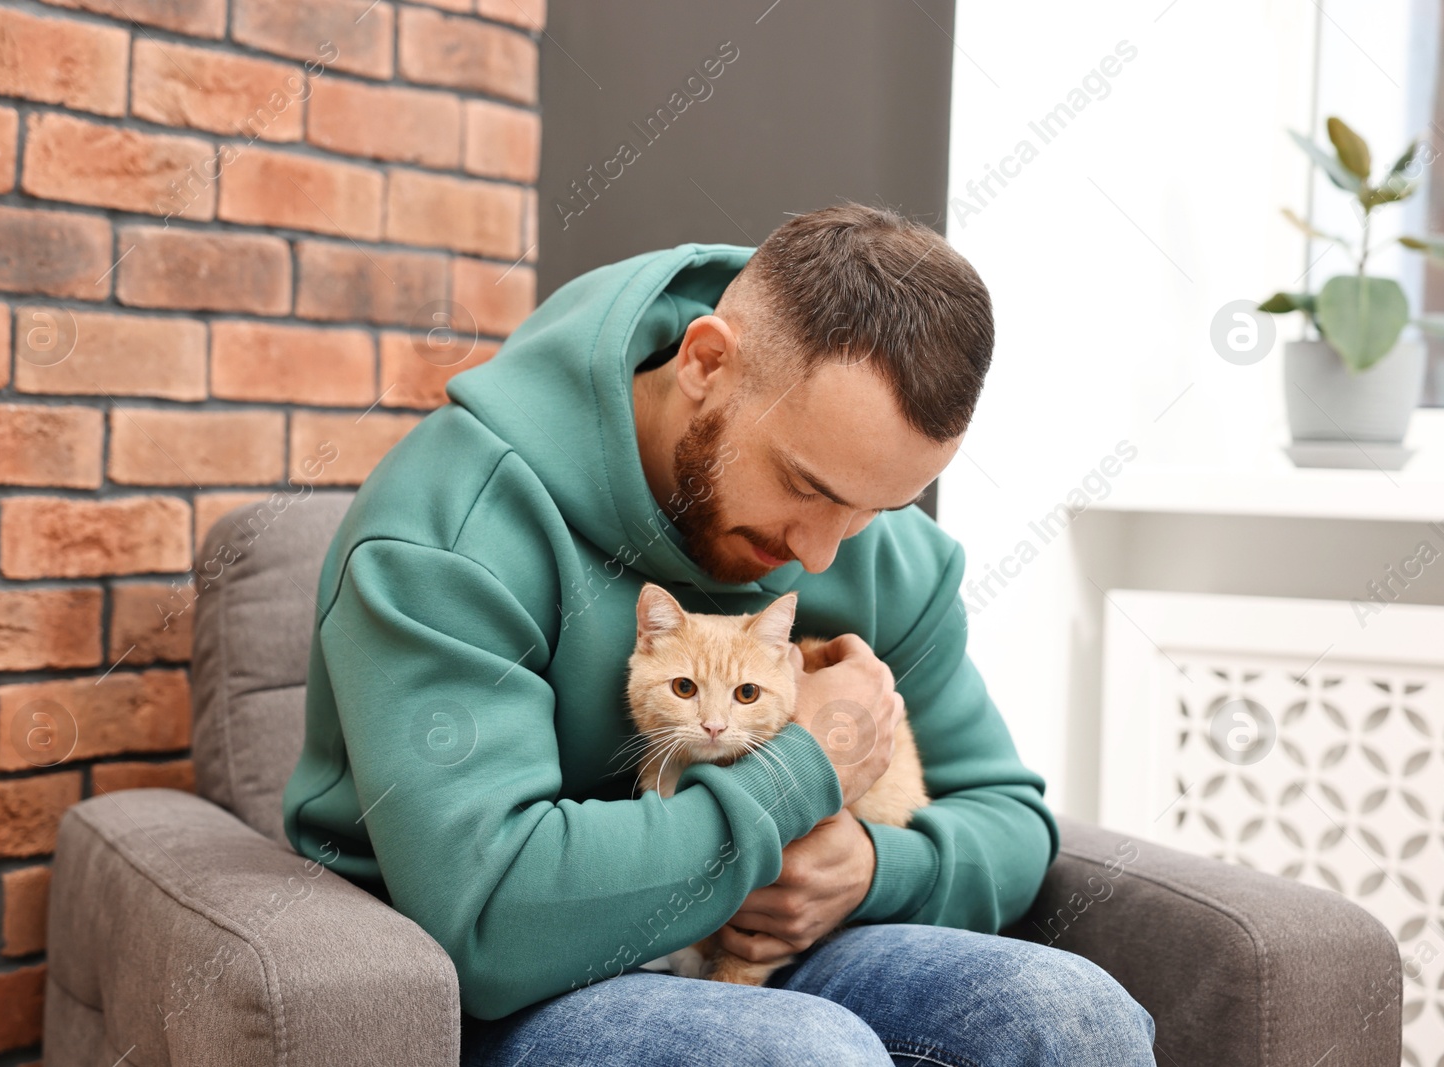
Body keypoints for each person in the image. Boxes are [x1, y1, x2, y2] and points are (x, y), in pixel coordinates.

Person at [281, 202, 1157, 1064]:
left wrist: (868, 872)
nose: (818, 558)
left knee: (1074, 1016)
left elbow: (1009, 819)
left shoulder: (885, 553)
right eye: (806, 485)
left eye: (872, 508)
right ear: (706, 361)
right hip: (525, 980)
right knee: (806, 1056)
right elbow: (490, 918)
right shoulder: (447, 526)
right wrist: (801, 772)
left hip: (783, 946)